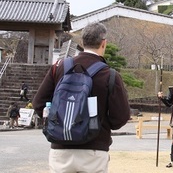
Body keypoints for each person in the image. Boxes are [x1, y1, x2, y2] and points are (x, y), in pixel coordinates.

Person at [32, 22, 131, 173]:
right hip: (94, 150)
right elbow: (121, 117)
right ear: (104, 43)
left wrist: (56, 122)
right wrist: (99, 124)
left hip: (60, 150)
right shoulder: (109, 74)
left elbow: (38, 103)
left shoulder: (59, 67)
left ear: (82, 43)